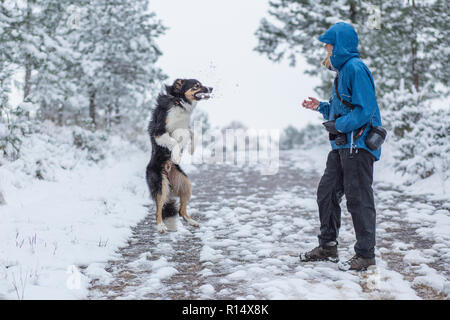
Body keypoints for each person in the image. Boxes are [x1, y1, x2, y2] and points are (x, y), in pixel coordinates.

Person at [299, 22, 382, 271]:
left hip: (358, 145)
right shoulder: (343, 71)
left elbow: (365, 110)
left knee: (358, 199)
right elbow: (342, 108)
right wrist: (322, 107)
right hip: (342, 146)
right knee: (327, 192)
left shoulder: (355, 68)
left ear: (340, 44)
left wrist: (339, 126)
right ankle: (328, 246)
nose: (325, 47)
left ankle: (365, 255)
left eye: (328, 42)